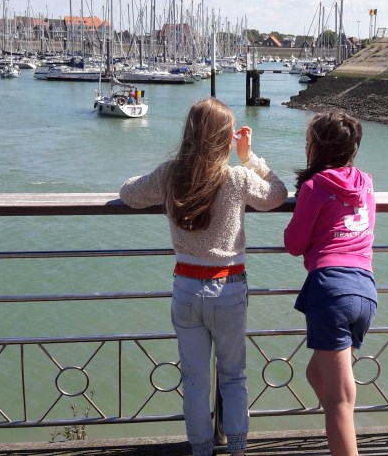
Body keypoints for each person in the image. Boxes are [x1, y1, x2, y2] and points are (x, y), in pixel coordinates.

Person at [119, 98, 287, 456]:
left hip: (186, 288)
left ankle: (201, 449)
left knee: (194, 379)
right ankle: (238, 448)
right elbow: (278, 194)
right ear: (226, 139)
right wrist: (249, 157)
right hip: (229, 287)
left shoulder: (170, 175)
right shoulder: (239, 178)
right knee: (233, 375)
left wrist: (152, 177)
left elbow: (129, 194)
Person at [283, 112, 377, 456]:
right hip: (364, 290)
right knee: (318, 376)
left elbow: (294, 244)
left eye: (308, 140)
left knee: (338, 400)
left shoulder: (314, 186)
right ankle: (344, 431)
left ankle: (343, 436)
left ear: (317, 147)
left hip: (330, 290)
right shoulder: (365, 182)